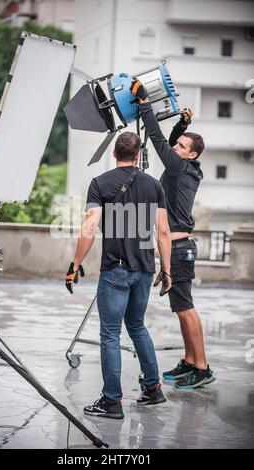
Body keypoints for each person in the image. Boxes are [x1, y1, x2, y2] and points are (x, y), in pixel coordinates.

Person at [65, 131, 172, 418]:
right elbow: (163, 232)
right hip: (145, 269)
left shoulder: (100, 183)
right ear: (138, 155)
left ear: (115, 153)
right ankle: (153, 388)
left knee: (110, 334)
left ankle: (112, 401)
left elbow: (89, 227)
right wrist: (168, 270)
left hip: (116, 269)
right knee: (137, 326)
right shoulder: (154, 186)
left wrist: (75, 264)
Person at [130, 80, 216, 390]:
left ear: (190, 155)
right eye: (177, 144)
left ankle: (202, 367)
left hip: (179, 248)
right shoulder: (188, 168)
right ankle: (190, 362)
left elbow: (156, 138)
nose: (175, 146)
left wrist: (144, 105)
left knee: (186, 307)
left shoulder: (179, 168)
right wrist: (182, 124)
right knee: (180, 308)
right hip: (179, 247)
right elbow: (170, 141)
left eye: (181, 146)